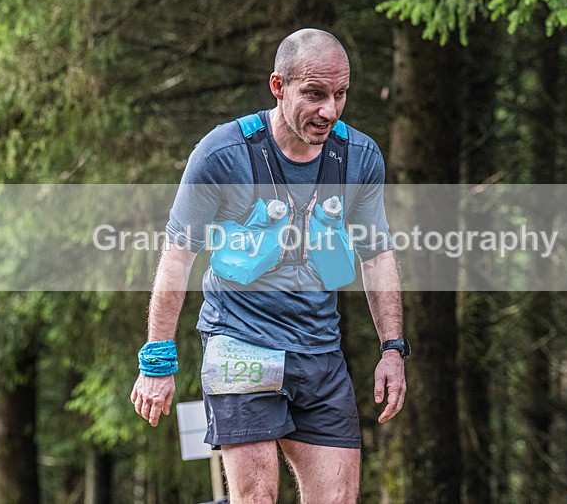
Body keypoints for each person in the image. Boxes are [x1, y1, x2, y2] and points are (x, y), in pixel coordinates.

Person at [130, 28, 408, 504]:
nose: (330, 110)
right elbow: (178, 255)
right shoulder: (222, 155)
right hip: (241, 345)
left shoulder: (359, 157)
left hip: (319, 352)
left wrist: (392, 349)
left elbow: (377, 256)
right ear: (278, 86)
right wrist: (157, 360)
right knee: (256, 498)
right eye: (315, 94)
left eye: (341, 94)